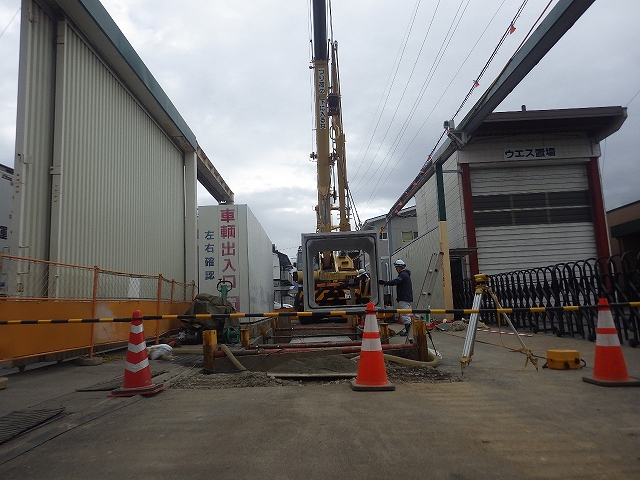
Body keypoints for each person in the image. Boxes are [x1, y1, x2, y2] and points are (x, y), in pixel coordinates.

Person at [379, 259, 413, 338]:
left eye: (396, 267)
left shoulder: (403, 275)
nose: (396, 269)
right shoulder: (405, 274)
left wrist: (385, 283)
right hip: (405, 297)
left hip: (404, 297)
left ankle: (409, 332)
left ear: (399, 267)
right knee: (405, 314)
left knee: (405, 315)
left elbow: (396, 281)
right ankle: (409, 331)